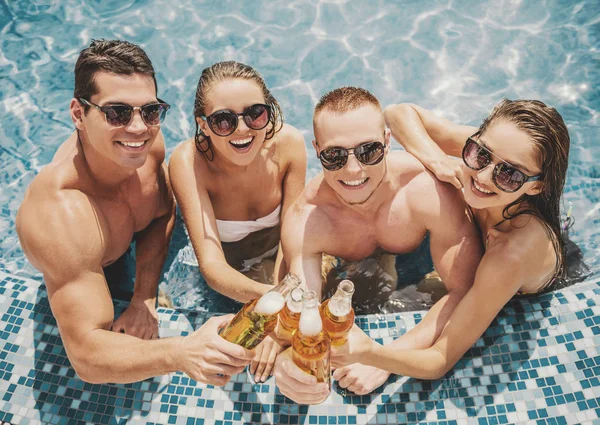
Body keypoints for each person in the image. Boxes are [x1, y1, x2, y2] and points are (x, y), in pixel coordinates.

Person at [16, 39, 254, 385]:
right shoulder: (60, 215)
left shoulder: (146, 149)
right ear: (78, 114)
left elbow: (160, 213)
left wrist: (144, 297)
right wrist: (181, 353)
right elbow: (86, 356)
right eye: (118, 113)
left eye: (151, 110)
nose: (140, 128)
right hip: (82, 262)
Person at [329, 99, 570, 386]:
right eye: (479, 154)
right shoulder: (498, 148)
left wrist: (376, 357)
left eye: (509, 174)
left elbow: (440, 359)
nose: (481, 176)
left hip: (516, 279)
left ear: (537, 185)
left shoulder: (510, 254)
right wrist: (436, 159)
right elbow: (398, 113)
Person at [273, 86, 483, 403]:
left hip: (419, 261)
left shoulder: (426, 190)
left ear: (387, 141)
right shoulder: (307, 220)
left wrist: (384, 360)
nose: (354, 170)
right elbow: (304, 315)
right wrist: (289, 362)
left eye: (368, 150)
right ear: (317, 151)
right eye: (335, 156)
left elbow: (466, 289)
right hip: (350, 269)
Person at [168, 61, 306, 382]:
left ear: (269, 112)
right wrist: (272, 308)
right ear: (203, 124)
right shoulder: (188, 162)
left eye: (255, 113)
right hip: (231, 276)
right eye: (223, 120)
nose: (243, 129)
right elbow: (213, 267)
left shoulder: (289, 145)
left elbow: (295, 237)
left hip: (275, 266)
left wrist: (277, 308)